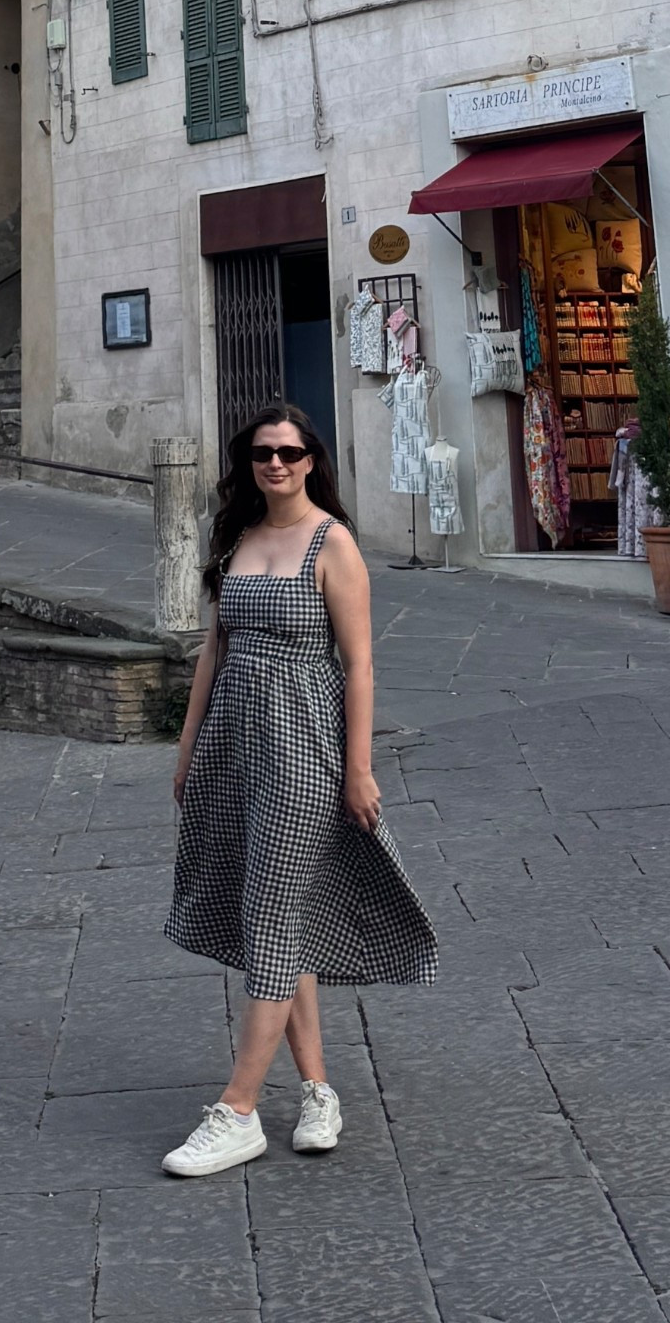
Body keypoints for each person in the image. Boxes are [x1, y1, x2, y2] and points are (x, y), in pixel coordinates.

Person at [161, 402, 438, 1178]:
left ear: (312, 459)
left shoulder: (333, 542)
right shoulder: (241, 537)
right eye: (261, 453)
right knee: (277, 918)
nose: (275, 464)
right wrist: (187, 754)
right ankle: (318, 1092)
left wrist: (359, 768)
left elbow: (359, 667)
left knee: (275, 919)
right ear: (248, 463)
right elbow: (211, 655)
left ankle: (239, 1109)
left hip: (302, 750)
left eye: (288, 451)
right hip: (231, 749)